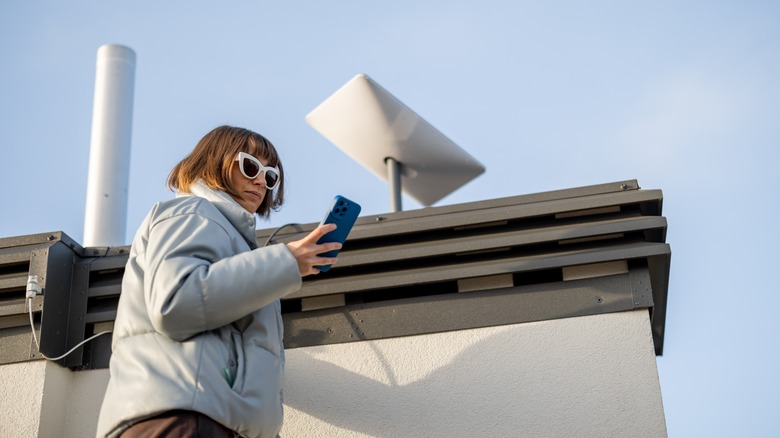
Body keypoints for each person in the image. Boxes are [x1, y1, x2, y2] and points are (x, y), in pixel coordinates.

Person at [96, 125, 341, 438]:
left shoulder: (234, 241)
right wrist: (287, 262)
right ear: (214, 162)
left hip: (207, 421)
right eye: (250, 165)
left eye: (270, 176)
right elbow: (175, 301)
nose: (260, 181)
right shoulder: (192, 211)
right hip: (183, 420)